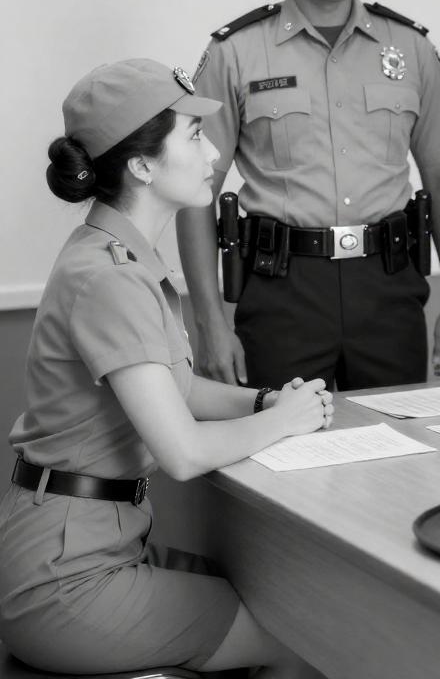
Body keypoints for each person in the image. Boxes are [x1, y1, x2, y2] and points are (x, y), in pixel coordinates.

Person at [0, 59, 334, 676]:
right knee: (306, 641)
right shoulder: (110, 277)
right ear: (143, 166)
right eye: (194, 135)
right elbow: (181, 453)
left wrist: (265, 402)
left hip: (89, 551)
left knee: (286, 601)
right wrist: (285, 420)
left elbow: (173, 388)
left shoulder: (119, 257)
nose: (213, 154)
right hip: (67, 580)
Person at [176, 0, 440, 392]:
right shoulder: (236, 53)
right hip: (283, 289)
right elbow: (196, 192)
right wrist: (209, 322)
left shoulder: (409, 47)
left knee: (394, 438)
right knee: (285, 442)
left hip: (387, 285)